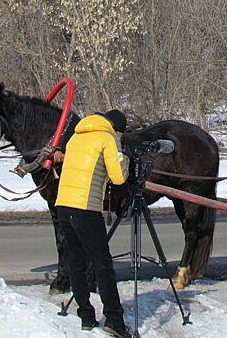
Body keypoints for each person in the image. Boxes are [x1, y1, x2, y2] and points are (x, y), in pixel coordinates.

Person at [55, 109, 131, 338]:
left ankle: (86, 316)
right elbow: (119, 177)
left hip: (63, 205)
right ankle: (115, 320)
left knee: (76, 263)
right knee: (102, 265)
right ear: (116, 129)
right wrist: (124, 156)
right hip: (85, 208)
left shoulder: (76, 136)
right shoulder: (107, 138)